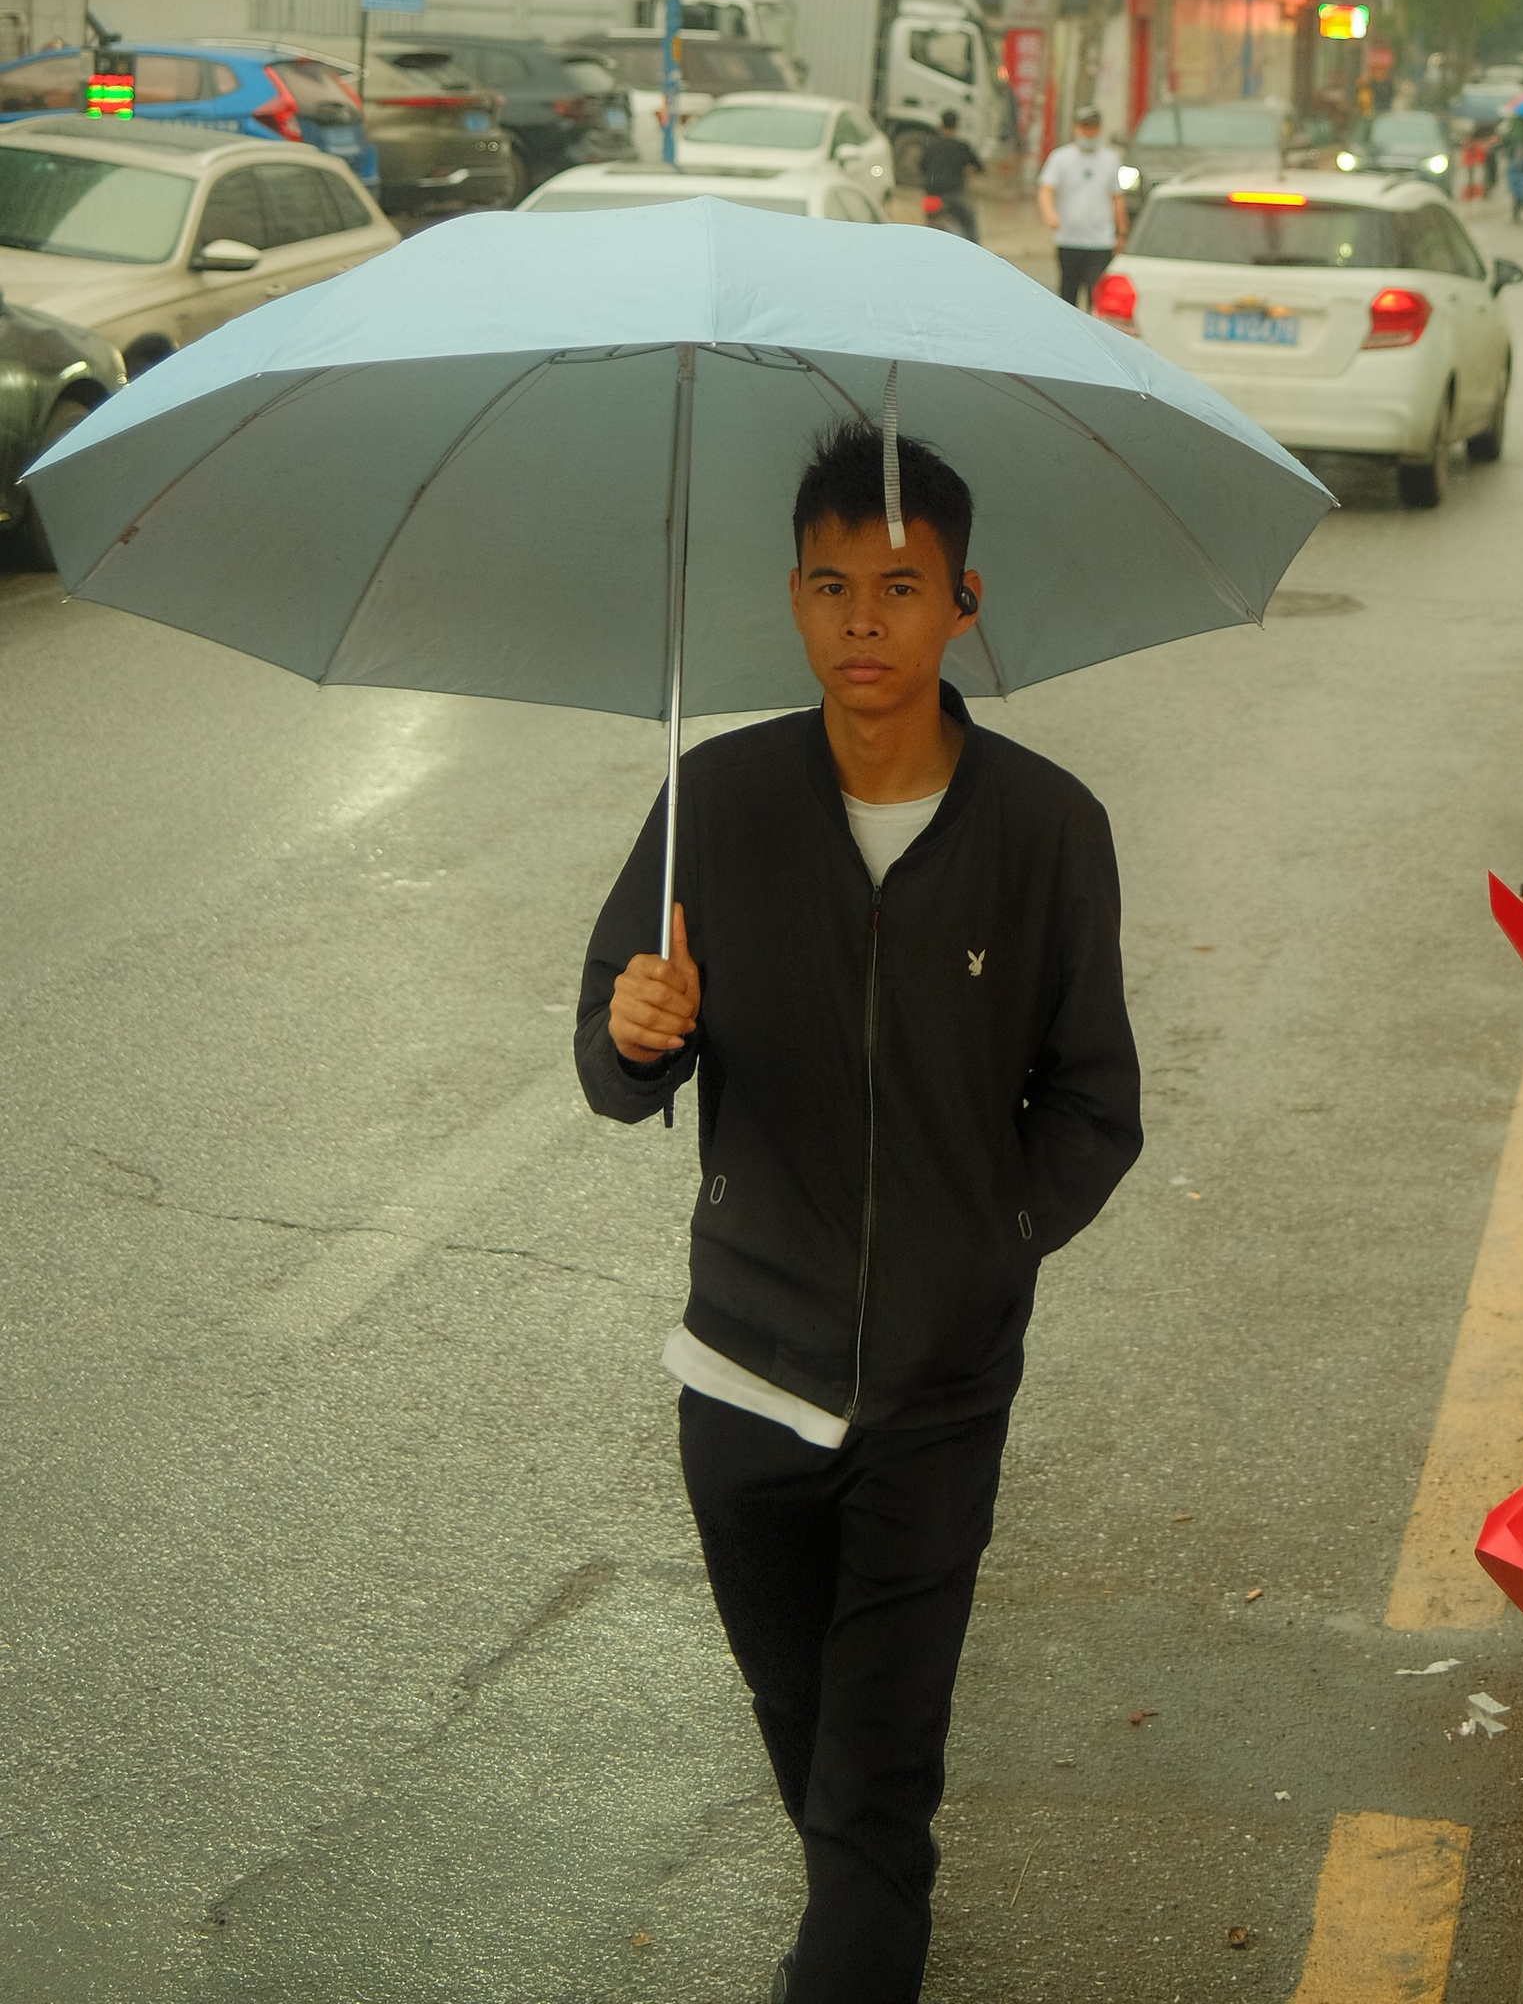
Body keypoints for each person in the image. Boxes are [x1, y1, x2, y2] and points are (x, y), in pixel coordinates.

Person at [576, 420, 1141, 2004]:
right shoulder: (717, 801)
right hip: (742, 1379)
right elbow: (612, 1065)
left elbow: (1096, 1106)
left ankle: (855, 1940)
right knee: (813, 1742)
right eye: (831, 587)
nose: (863, 623)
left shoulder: (1047, 831)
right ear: (794, 600)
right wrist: (638, 1033)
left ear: (964, 600)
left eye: (900, 587)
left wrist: (981, 1250)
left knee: (874, 1787)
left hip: (934, 1397)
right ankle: (860, 1909)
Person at [1037, 100, 1126, 307]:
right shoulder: (1060, 158)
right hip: (1069, 238)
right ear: (1076, 128)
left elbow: (1117, 197)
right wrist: (1050, 214)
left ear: (1099, 129)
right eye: (1084, 126)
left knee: (1098, 296)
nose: (1088, 132)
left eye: (1092, 127)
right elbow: (1046, 190)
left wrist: (1121, 232)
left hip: (1100, 241)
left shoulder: (1111, 159)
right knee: (1068, 294)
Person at [916, 107, 982, 244]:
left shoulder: (930, 145)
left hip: (931, 196)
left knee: (928, 226)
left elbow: (922, 166)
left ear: (941, 125)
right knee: (969, 221)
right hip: (954, 197)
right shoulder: (962, 147)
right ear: (957, 126)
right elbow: (979, 167)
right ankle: (975, 249)